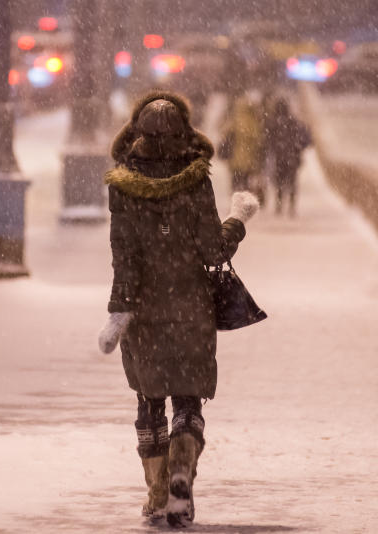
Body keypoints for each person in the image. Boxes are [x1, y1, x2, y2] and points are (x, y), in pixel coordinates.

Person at [100, 91, 259, 527]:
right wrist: (238, 220)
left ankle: (156, 492)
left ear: (138, 134)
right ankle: (182, 471)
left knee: (148, 399)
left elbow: (124, 254)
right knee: (187, 399)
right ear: (184, 133)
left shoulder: (123, 186)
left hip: (145, 310)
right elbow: (213, 250)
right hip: (191, 306)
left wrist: (120, 310)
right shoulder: (196, 180)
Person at [264, 96, 310, 216]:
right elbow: (305, 138)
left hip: (279, 157)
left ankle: (279, 205)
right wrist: (297, 148)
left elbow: (268, 140)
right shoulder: (294, 122)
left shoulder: (273, 123)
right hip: (292, 157)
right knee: (292, 182)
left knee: (279, 181)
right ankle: (292, 206)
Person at [218, 91, 267, 202]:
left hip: (235, 159)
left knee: (235, 183)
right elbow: (259, 140)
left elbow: (224, 133)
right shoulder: (255, 122)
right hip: (250, 159)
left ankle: (235, 202)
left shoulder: (235, 120)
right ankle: (244, 204)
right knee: (246, 183)